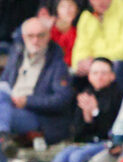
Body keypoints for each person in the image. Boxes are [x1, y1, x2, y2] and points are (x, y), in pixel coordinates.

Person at [0, 17, 74, 149]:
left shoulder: (57, 63)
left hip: (36, 115)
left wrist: (27, 101)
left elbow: (61, 99)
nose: (35, 40)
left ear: (49, 36)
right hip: (8, 105)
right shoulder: (16, 55)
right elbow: (4, 83)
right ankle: (3, 139)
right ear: (23, 37)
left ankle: (3, 136)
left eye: (41, 35)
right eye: (31, 36)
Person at [52, 58, 122, 162]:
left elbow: (110, 129)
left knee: (77, 158)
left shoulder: (118, 95)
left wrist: (95, 111)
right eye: (95, 73)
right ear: (89, 76)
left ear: (112, 76)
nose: (99, 77)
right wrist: (87, 116)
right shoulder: (86, 94)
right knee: (60, 159)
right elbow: (78, 133)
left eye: (103, 73)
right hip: (86, 143)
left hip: (106, 143)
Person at [70, 0, 123, 79]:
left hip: (118, 65)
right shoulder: (86, 16)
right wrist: (81, 64)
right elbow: (79, 52)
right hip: (93, 68)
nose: (100, 2)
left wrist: (98, 61)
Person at [40, 0, 80, 67]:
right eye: (63, 6)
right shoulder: (50, 29)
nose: (67, 10)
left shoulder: (80, 29)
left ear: (77, 10)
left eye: (71, 6)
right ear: (57, 10)